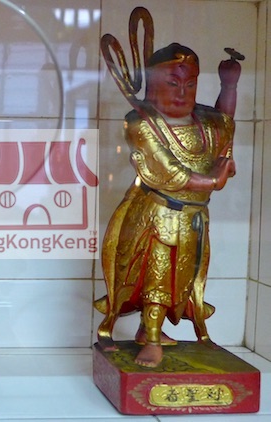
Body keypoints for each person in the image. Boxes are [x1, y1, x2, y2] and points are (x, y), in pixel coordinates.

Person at [94, 43, 240, 367]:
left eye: (190, 84)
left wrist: (229, 86)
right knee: (156, 275)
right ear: (153, 84)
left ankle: (148, 330)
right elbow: (171, 173)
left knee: (185, 276)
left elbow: (224, 125)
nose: (182, 93)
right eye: (173, 84)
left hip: (195, 217)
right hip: (159, 215)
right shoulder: (141, 124)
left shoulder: (206, 122)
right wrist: (213, 181)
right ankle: (153, 339)